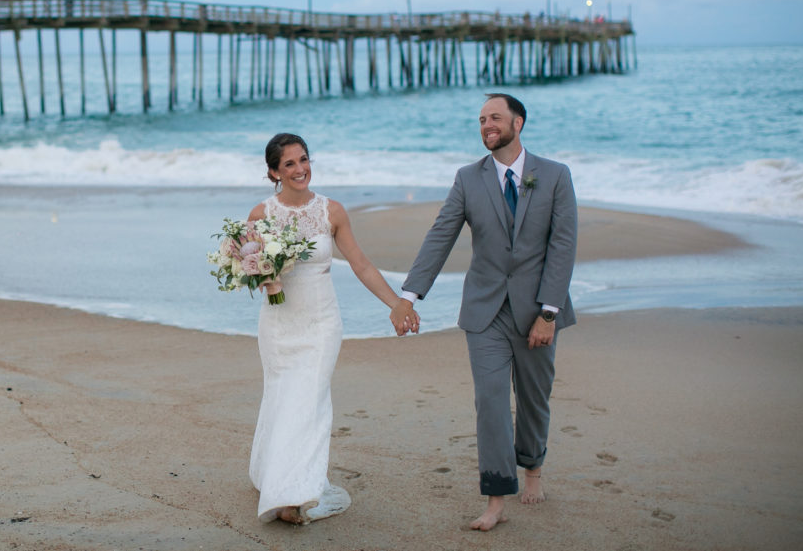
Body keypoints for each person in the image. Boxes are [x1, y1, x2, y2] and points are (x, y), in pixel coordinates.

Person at [400, 94, 577, 531]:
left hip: (538, 310)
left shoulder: (554, 175)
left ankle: (532, 467)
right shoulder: (467, 178)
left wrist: (548, 313)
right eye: (481, 120)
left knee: (535, 399)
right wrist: (409, 296)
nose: (487, 125)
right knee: (492, 402)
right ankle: (496, 497)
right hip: (485, 312)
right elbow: (441, 234)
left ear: (518, 122)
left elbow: (563, 245)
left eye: (495, 118)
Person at [247, 132, 419, 525]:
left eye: (304, 159)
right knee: (281, 397)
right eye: (289, 164)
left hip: (322, 322)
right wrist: (263, 278)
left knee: (309, 401)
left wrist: (397, 303)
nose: (300, 169)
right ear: (273, 171)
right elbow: (249, 268)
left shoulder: (332, 211)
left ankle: (293, 494)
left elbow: (360, 264)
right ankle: (279, 480)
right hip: (278, 323)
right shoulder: (260, 215)